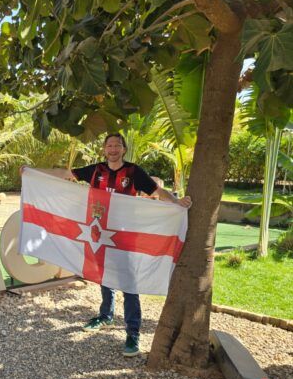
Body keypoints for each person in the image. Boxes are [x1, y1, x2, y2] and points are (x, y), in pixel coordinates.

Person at [21, 133, 192, 357]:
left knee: (129, 284)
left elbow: (157, 191)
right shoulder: (96, 170)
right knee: (105, 274)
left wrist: (177, 202)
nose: (113, 149)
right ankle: (106, 315)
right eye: (109, 145)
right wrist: (32, 171)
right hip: (99, 233)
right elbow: (65, 174)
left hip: (125, 235)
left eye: (117, 145)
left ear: (123, 149)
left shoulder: (133, 172)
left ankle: (133, 332)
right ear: (104, 149)